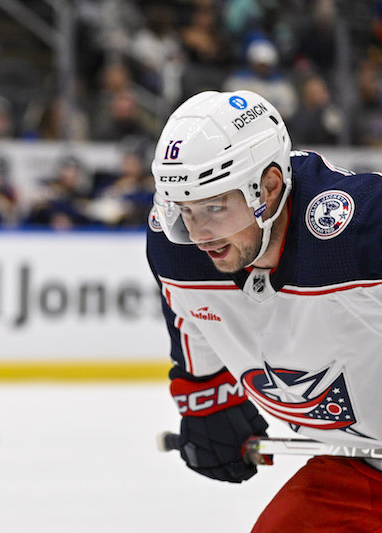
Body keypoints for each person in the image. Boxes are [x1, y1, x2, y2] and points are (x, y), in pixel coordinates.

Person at [146, 89, 382, 530]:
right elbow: (193, 325)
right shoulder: (178, 252)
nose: (199, 235)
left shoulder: (361, 230)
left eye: (215, 206)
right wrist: (207, 404)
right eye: (185, 211)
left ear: (269, 188)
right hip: (359, 472)